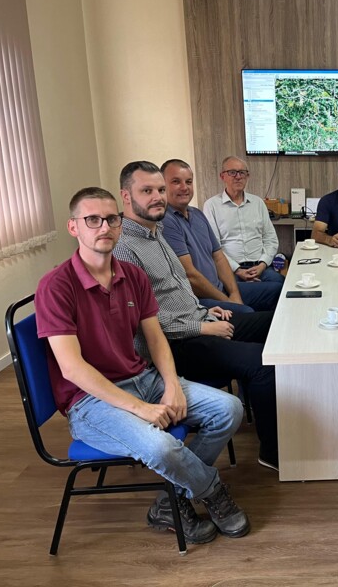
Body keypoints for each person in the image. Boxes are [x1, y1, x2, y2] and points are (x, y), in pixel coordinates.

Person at [35, 187, 249, 545]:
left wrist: (172, 385)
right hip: (89, 401)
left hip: (142, 378)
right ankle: (212, 492)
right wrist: (141, 409)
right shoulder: (56, 286)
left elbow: (155, 338)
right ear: (74, 227)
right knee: (161, 447)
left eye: (111, 219)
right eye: (92, 220)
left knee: (229, 409)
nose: (104, 227)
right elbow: (71, 369)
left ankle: (169, 501)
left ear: (120, 224)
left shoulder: (133, 276)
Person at [113, 161, 280, 471]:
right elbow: (143, 324)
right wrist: (201, 327)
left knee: (276, 323)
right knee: (263, 362)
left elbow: (177, 288)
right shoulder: (124, 249)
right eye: (147, 191)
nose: (158, 197)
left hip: (199, 320)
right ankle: (273, 452)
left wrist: (205, 310)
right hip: (175, 344)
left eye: (159, 189)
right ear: (126, 196)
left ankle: (272, 408)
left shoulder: (157, 232)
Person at [159, 159, 254, 315]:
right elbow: (190, 276)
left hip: (220, 288)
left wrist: (234, 293)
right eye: (176, 182)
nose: (184, 187)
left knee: (276, 290)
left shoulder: (197, 214)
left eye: (188, 182)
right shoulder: (165, 221)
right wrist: (227, 301)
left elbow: (219, 257)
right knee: (247, 314)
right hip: (199, 299)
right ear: (162, 186)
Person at [202, 156, 283, 311]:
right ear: (222, 176)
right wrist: (238, 270)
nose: (238, 176)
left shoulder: (258, 203)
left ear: (247, 176)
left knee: (283, 285)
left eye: (242, 172)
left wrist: (262, 264)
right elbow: (214, 247)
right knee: (266, 292)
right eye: (232, 172)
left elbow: (271, 239)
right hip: (230, 271)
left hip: (260, 267)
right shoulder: (211, 206)